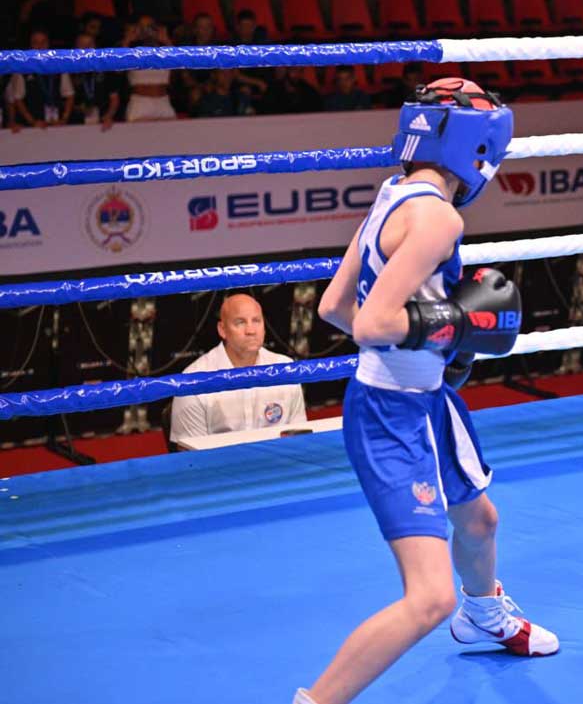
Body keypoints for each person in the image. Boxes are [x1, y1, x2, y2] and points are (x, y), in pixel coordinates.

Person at [302, 78, 557, 704]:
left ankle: (483, 616)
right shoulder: (439, 217)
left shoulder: (393, 194)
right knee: (427, 598)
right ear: (479, 147)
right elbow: (368, 324)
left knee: (479, 519)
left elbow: (332, 305)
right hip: (391, 415)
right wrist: (454, 325)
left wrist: (435, 349)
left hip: (425, 401)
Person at [170, 294, 307, 444]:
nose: (250, 330)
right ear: (222, 329)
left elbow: (298, 437)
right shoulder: (193, 379)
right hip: (220, 465)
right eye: (240, 322)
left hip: (277, 463)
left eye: (256, 321)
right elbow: (190, 454)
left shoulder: (285, 368)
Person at [5, 29, 74, 131]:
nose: (40, 46)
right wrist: (32, 122)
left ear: (48, 44)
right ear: (30, 46)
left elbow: (69, 95)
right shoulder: (22, 68)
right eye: (36, 43)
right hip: (32, 126)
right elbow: (17, 99)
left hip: (56, 124)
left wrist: (64, 118)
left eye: (43, 42)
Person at [67, 32, 120, 130]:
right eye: (82, 45)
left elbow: (114, 98)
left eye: (89, 45)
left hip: (103, 120)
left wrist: (109, 115)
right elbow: (67, 99)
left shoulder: (106, 68)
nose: (86, 49)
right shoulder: (69, 70)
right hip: (76, 123)